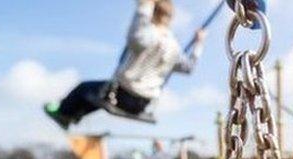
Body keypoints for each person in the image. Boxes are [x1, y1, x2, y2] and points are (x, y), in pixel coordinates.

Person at [44, 0, 207, 129]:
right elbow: (188, 67)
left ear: (153, 12)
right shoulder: (175, 47)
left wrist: (144, 6)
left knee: (83, 89)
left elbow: (135, 36)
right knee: (96, 97)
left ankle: (63, 113)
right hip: (143, 103)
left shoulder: (148, 34)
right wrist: (198, 44)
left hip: (123, 94)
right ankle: (73, 116)